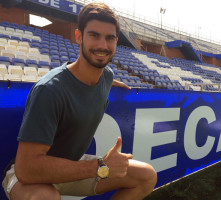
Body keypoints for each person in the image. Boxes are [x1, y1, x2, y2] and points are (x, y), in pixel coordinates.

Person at [2, 2, 157, 200]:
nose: (102, 45)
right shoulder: (50, 90)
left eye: (109, 38)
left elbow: (100, 78)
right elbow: (26, 169)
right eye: (94, 35)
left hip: (72, 166)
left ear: (116, 42)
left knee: (146, 176)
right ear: (78, 37)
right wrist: (100, 167)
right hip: (30, 177)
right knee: (44, 197)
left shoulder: (106, 76)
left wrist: (113, 83)